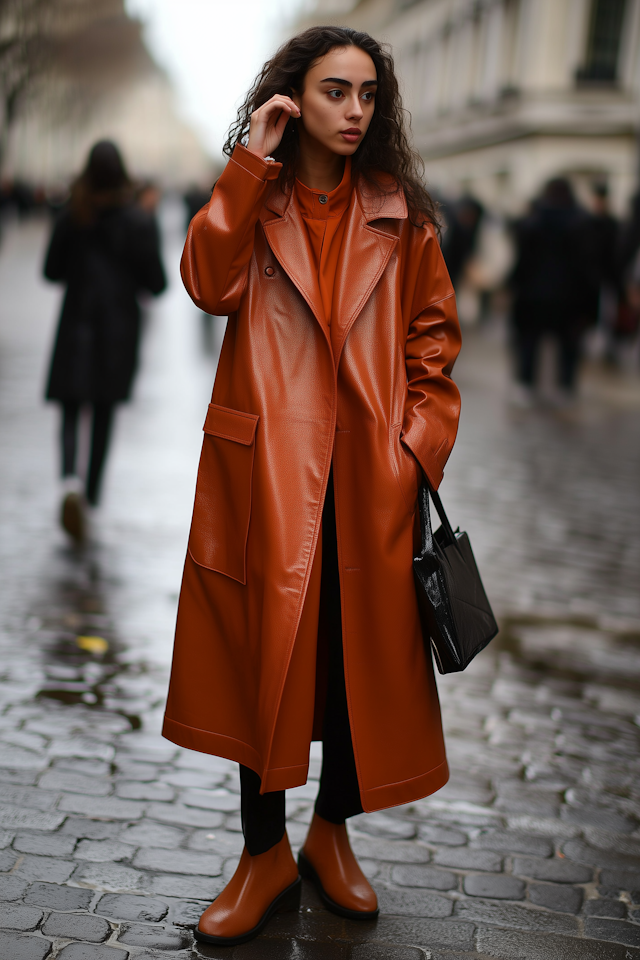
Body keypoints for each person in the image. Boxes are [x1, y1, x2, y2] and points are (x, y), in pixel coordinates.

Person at [163, 25, 461, 947]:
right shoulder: (258, 199)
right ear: (292, 98)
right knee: (268, 663)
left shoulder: (401, 213)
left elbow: (434, 341)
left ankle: (330, 836)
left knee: (353, 667)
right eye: (336, 91)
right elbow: (206, 284)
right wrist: (249, 166)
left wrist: (414, 447)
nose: (355, 111)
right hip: (266, 476)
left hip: (367, 481)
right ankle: (262, 856)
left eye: (369, 95)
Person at [43, 140, 166, 541]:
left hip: (76, 325)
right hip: (117, 332)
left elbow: (51, 272)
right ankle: (92, 498)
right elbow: (157, 284)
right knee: (103, 415)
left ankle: (68, 483)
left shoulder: (71, 215)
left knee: (69, 409)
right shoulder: (138, 220)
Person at [508, 177, 597, 405]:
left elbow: (523, 261)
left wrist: (512, 285)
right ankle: (564, 387)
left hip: (533, 294)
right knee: (569, 344)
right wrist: (590, 302)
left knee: (529, 341)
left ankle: (525, 384)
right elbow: (587, 266)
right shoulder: (582, 223)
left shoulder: (532, 221)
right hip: (570, 297)